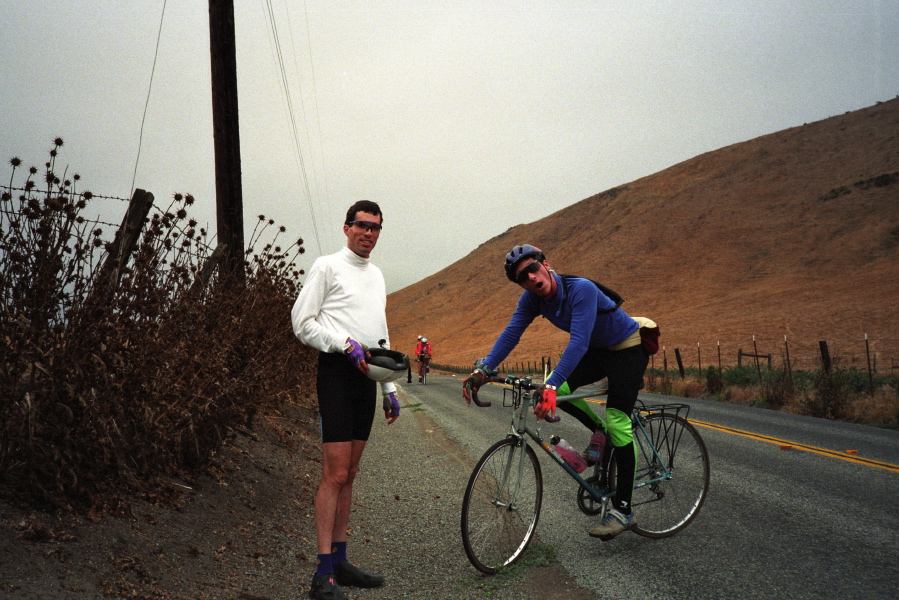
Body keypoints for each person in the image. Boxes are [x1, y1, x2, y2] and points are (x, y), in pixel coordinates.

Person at [461, 244, 658, 540]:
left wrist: (550, 386)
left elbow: (578, 341)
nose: (531, 278)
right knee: (557, 389)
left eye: (533, 269)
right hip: (598, 350)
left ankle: (624, 511)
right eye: (522, 278)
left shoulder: (581, 289)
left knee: (619, 421)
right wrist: (484, 369)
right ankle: (600, 434)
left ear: (546, 264)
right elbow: (512, 332)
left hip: (627, 347)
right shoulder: (532, 299)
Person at [291, 200, 401, 600]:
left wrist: (388, 388)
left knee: (351, 473)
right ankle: (322, 575)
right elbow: (302, 322)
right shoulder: (327, 266)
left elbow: (381, 333)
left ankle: (340, 561)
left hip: (367, 377)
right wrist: (342, 343)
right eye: (361, 225)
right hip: (337, 372)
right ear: (347, 227)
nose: (368, 233)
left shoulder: (377, 276)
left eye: (375, 227)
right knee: (334, 475)